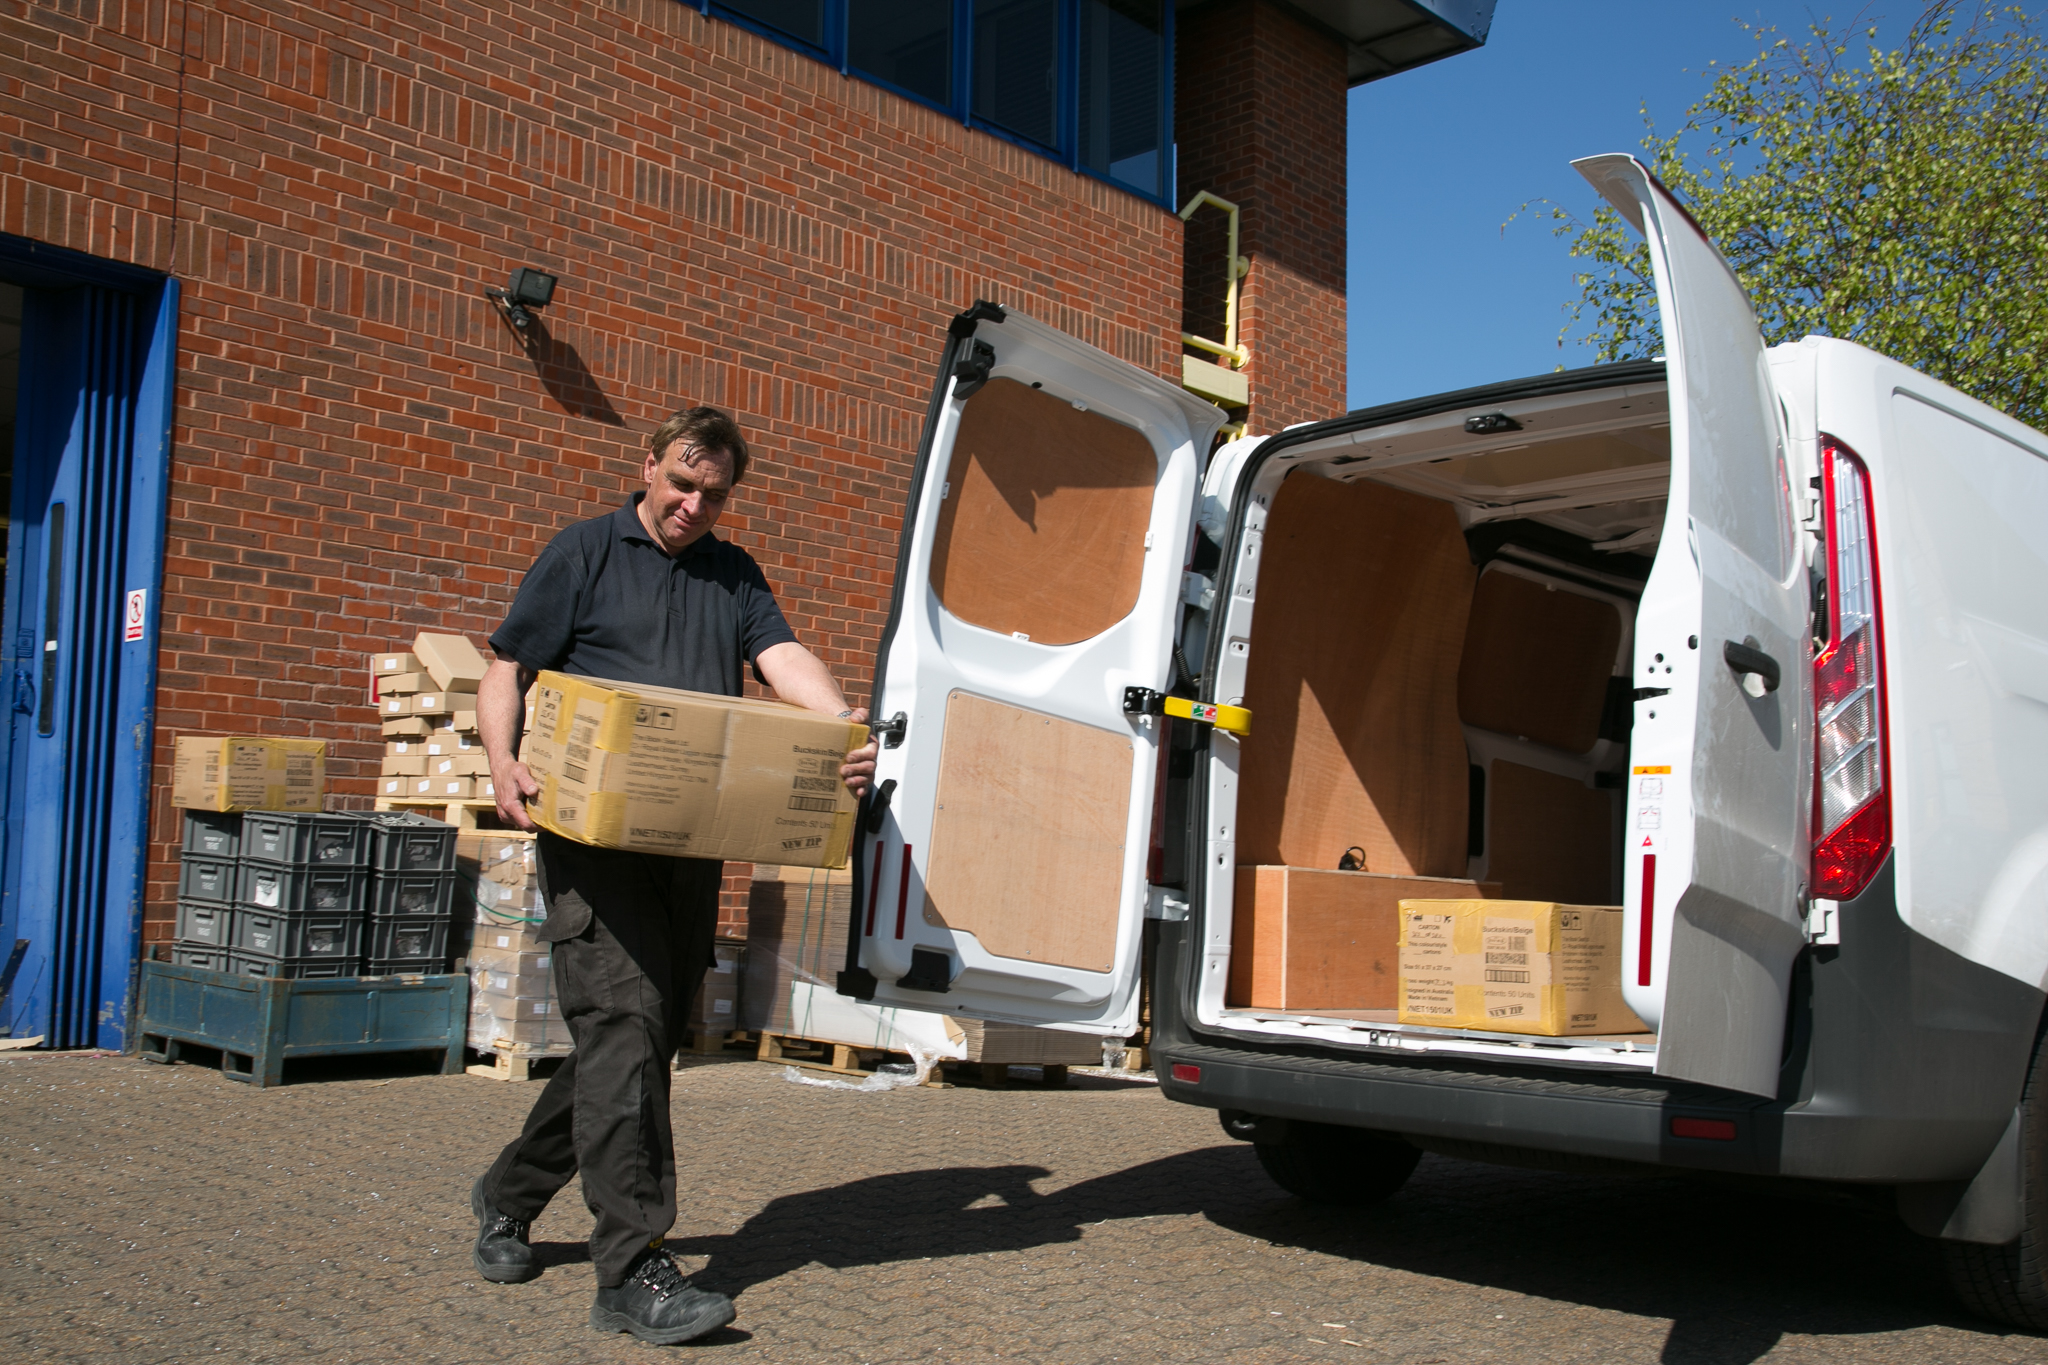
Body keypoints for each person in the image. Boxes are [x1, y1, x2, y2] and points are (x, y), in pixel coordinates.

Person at [467, 406, 878, 1345]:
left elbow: (780, 656)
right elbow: (508, 667)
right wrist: (501, 761)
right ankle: (631, 1270)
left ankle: (508, 1192)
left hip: (689, 847)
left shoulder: (732, 573)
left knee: (636, 1041)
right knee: (623, 1027)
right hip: (594, 843)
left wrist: (839, 727)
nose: (695, 505)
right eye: (683, 483)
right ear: (648, 463)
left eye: (714, 494)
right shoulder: (585, 552)